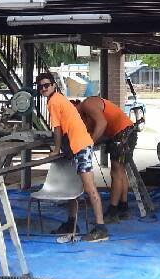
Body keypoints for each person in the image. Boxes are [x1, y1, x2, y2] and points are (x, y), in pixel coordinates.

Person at [36, 71, 108, 242]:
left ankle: (101, 227)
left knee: (89, 187)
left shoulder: (54, 101)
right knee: (72, 188)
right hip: (78, 145)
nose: (44, 88)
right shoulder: (59, 99)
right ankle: (71, 222)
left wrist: (56, 149)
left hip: (81, 147)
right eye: (40, 87)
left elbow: (57, 129)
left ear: (54, 85)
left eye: (47, 85)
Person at [76, 95, 138, 223]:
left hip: (122, 134)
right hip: (125, 132)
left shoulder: (88, 105)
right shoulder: (86, 113)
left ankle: (113, 211)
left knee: (116, 173)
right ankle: (123, 206)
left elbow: (102, 123)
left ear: (76, 105)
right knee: (121, 172)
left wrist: (90, 143)